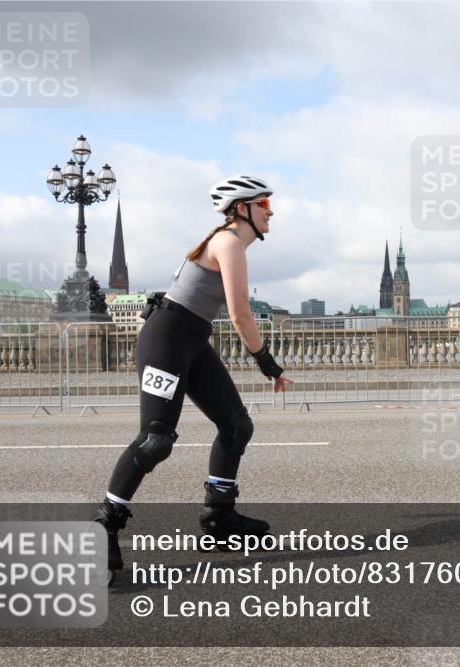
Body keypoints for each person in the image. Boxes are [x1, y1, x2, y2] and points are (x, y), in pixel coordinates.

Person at [94, 175, 292, 584]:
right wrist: (268, 363)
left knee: (237, 425)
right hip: (167, 339)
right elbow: (239, 313)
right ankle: (105, 528)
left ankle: (219, 516)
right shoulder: (228, 243)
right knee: (155, 440)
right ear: (243, 208)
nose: (271, 210)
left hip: (191, 340)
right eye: (265, 203)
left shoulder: (227, 242)